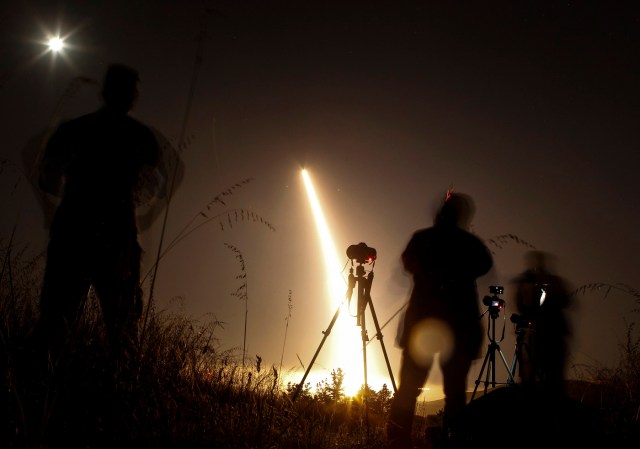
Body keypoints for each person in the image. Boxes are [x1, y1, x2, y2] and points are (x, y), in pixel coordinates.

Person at [36, 63, 160, 365]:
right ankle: (119, 395)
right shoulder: (142, 138)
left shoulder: (73, 129)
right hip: (117, 237)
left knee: (55, 322)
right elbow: (153, 184)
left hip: (72, 231)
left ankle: (43, 389)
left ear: (105, 91)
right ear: (132, 96)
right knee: (123, 329)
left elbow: (46, 179)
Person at [387, 192, 493, 448]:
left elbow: (407, 264)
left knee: (409, 387)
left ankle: (397, 441)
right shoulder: (470, 244)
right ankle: (453, 440)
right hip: (459, 327)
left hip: (421, 325)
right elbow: (484, 266)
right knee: (455, 392)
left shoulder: (422, 239)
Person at [512, 250, 572, 396]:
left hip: (552, 335)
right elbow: (521, 305)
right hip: (535, 335)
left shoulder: (553, 282)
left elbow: (565, 301)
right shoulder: (525, 283)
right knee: (530, 376)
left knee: (553, 378)